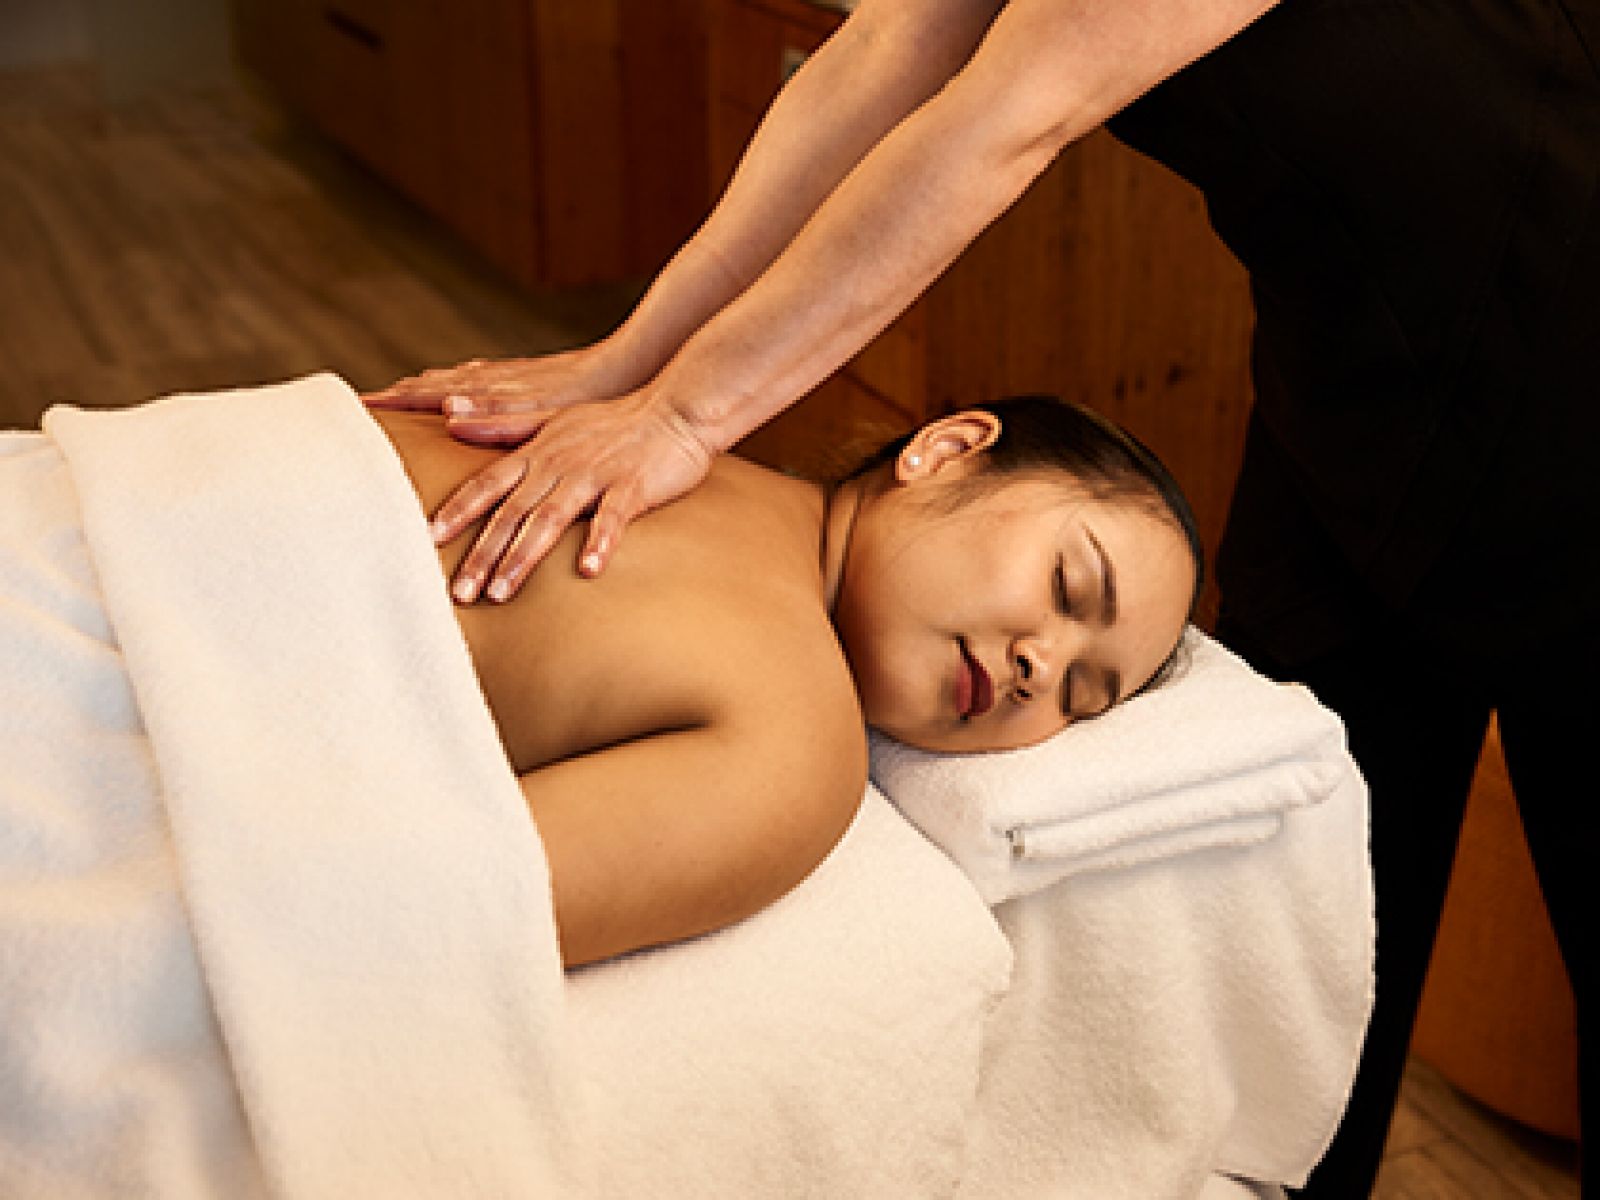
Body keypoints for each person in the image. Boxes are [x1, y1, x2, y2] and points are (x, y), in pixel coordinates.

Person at [370, 0, 1597, 1192]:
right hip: (1359, 371)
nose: (1034, 672)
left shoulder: (778, 763)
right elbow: (890, 54)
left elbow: (1006, 114)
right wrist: (626, 366)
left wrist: (685, 412)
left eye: (1086, 672)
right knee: (1318, 895)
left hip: (1565, 324)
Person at [372, 394, 1200, 967]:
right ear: (945, 452)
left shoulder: (622, 434)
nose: (1041, 668)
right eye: (1069, 587)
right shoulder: (798, 752)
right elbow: (405, 920)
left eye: (1081, 696)